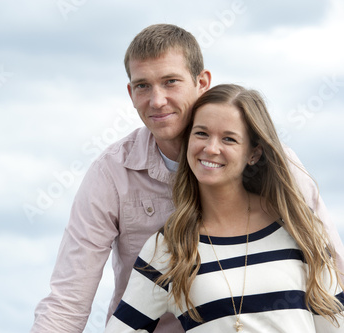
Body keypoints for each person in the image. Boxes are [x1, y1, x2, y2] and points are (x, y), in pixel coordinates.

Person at [31, 24, 344, 333]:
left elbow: (331, 277)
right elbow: (67, 303)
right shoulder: (112, 176)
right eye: (143, 86)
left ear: (202, 82)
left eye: (170, 82)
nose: (157, 100)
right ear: (130, 93)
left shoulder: (278, 166)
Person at [104, 84, 344, 332]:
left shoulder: (298, 226)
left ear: (254, 153)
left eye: (229, 138)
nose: (211, 148)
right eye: (201, 134)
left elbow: (335, 324)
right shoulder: (169, 246)